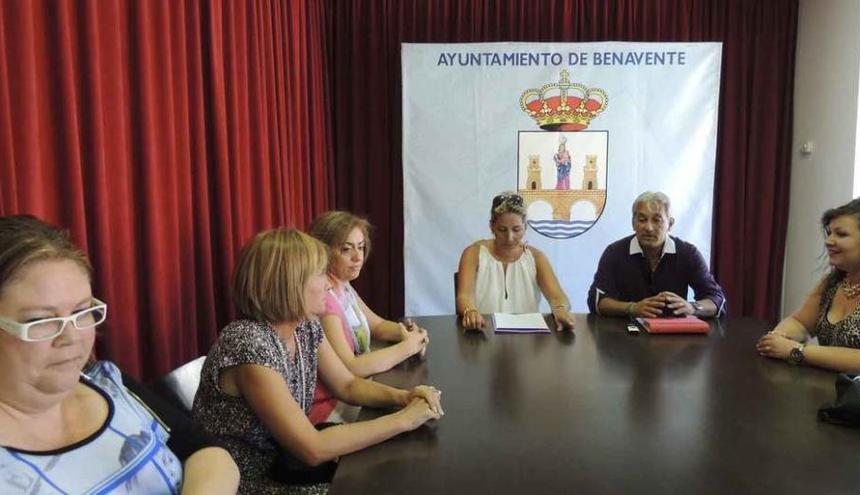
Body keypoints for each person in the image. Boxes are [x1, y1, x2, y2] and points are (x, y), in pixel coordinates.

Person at [192, 227, 443, 494]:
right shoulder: (249, 345)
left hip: (286, 464)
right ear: (289, 283)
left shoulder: (304, 327)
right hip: (251, 479)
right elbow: (313, 448)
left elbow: (347, 385)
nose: (328, 283)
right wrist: (404, 420)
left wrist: (403, 398)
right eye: (320, 274)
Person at [0, 215, 239, 494]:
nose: (71, 337)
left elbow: (204, 450)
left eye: (81, 312)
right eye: (40, 321)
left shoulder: (108, 383)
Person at [308, 211, 429, 424]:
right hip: (334, 408)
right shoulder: (324, 300)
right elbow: (351, 367)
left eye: (361, 246)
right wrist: (407, 347)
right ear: (323, 252)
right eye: (347, 249)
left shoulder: (343, 286)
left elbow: (378, 324)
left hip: (355, 393)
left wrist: (408, 333)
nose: (358, 257)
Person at [757, 196, 860, 371]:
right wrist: (778, 337)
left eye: (841, 234)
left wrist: (797, 350)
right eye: (829, 233)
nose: (829, 241)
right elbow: (800, 323)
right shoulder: (834, 282)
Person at [587, 191, 725, 318]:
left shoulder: (687, 253)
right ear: (633, 223)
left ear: (670, 224)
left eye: (656, 220)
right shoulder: (615, 252)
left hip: (674, 335)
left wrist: (693, 307)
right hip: (626, 333)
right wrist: (632, 308)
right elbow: (597, 300)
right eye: (642, 219)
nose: (648, 228)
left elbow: (716, 299)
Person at [456, 191, 575, 331]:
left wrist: (560, 309)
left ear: (525, 227)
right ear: (491, 226)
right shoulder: (473, 253)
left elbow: (558, 296)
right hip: (484, 331)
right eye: (502, 230)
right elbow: (464, 296)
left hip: (528, 338)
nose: (510, 237)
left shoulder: (536, 257)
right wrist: (470, 311)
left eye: (516, 229)